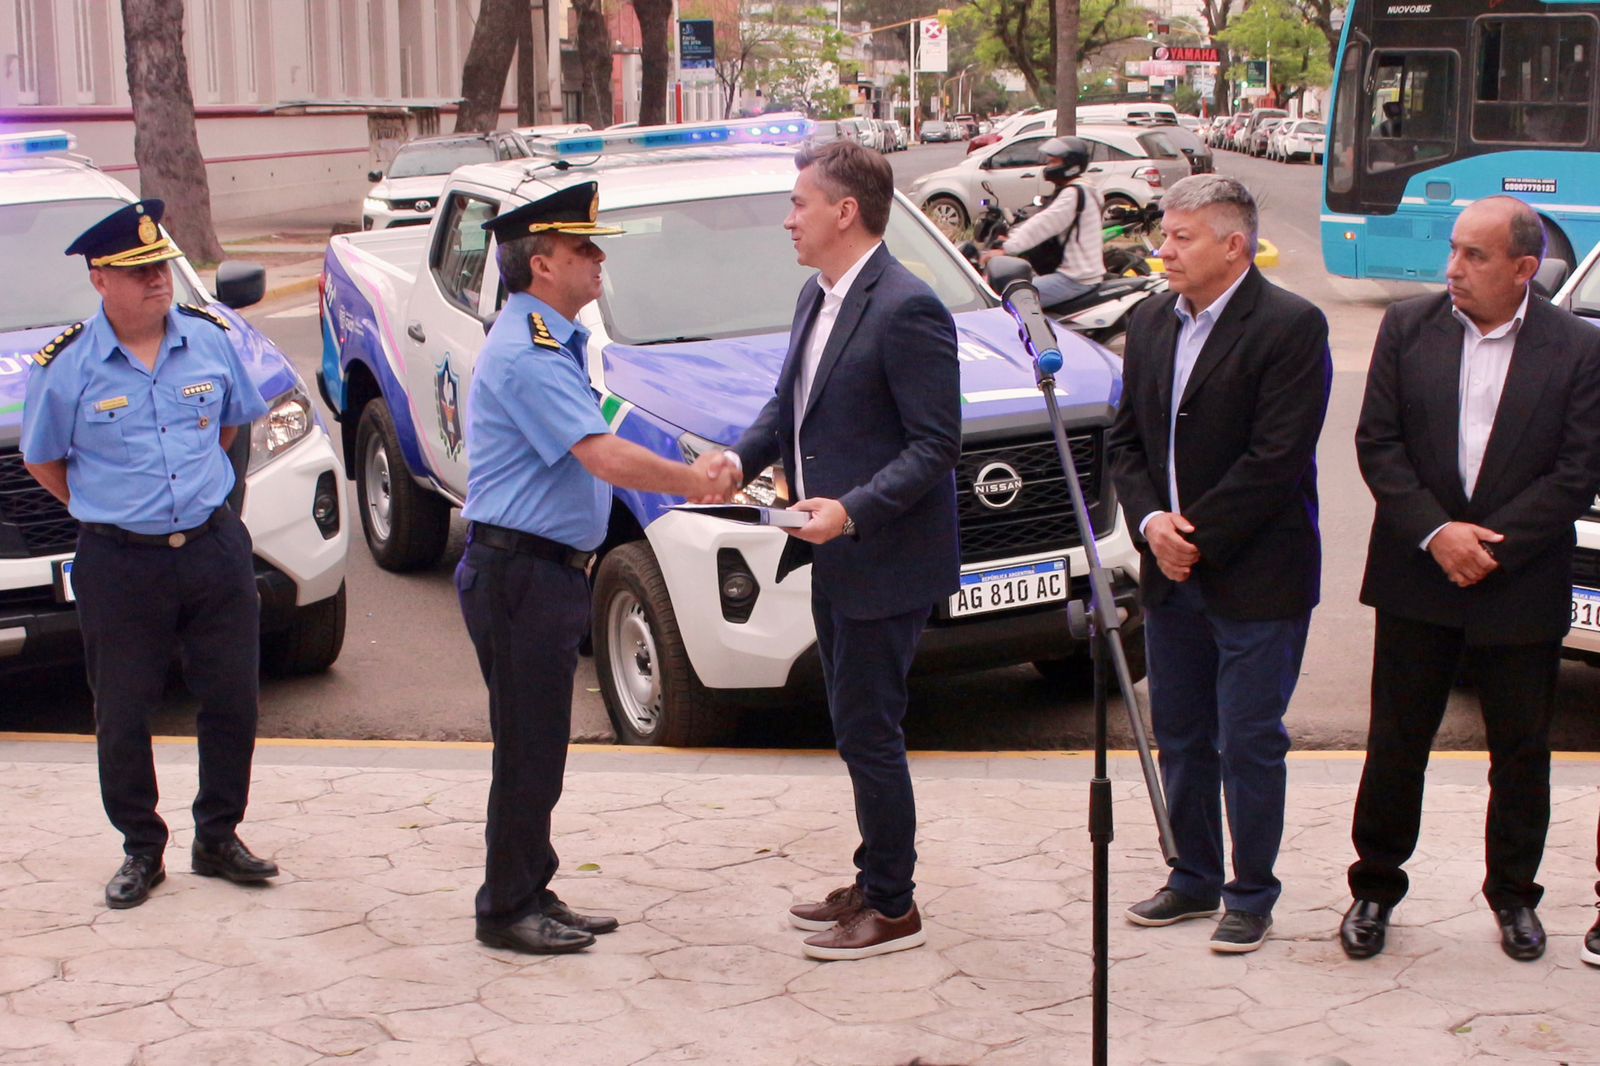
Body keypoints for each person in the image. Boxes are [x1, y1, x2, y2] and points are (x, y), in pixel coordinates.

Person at [459, 181, 739, 956]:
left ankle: (530, 885)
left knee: (540, 745)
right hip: (519, 575)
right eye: (585, 248)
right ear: (542, 264)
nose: (599, 258)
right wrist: (695, 483)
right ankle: (506, 907)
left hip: (539, 572)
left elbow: (608, 425)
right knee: (527, 748)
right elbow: (602, 455)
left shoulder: (551, 339)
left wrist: (688, 455)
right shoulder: (529, 351)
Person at [1340, 196, 1600, 962]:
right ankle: (1374, 889)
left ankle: (1515, 897)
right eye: (1453, 252)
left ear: (1524, 269)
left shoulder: (1577, 349)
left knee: (1520, 750)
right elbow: (1378, 443)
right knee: (1396, 741)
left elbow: (1578, 469)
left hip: (1518, 579)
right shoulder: (1406, 328)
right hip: (1417, 572)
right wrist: (1437, 533)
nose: (1453, 269)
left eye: (1475, 257)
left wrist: (1491, 546)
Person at [729, 140, 961, 961]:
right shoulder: (816, 295)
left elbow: (937, 445)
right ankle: (874, 877)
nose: (789, 219)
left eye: (799, 202)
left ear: (845, 211)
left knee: (871, 729)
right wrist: (739, 459)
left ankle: (893, 906)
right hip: (831, 553)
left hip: (883, 555)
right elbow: (786, 404)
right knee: (853, 721)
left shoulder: (908, 307)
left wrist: (853, 513)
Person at [21, 200, 279, 908]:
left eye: (161, 265)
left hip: (212, 547)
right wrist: (108, 508)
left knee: (232, 697)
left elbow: (228, 426)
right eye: (139, 272)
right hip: (119, 561)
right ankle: (141, 847)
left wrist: (191, 501)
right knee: (125, 710)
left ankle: (218, 835)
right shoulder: (68, 366)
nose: (158, 282)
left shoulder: (210, 341)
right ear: (102, 280)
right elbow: (45, 460)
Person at [1107, 174, 1331, 954]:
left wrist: (1189, 534)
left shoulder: (1291, 327)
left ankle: (1251, 893)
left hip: (1255, 575)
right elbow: (1125, 443)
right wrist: (1148, 525)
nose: (1161, 250)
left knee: (1248, 738)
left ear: (1234, 245)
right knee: (1184, 733)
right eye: (1163, 234)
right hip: (1169, 576)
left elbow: (1277, 460)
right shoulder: (1150, 321)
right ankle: (1193, 876)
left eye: (1180, 237)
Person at [978, 136, 1105, 308]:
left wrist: (1006, 249)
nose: (1048, 166)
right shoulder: (1085, 189)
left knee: (1007, 299)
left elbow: (1042, 225)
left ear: (1070, 165)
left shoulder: (1074, 194)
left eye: (1053, 162)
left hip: (1075, 279)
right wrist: (1011, 238)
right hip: (1078, 275)